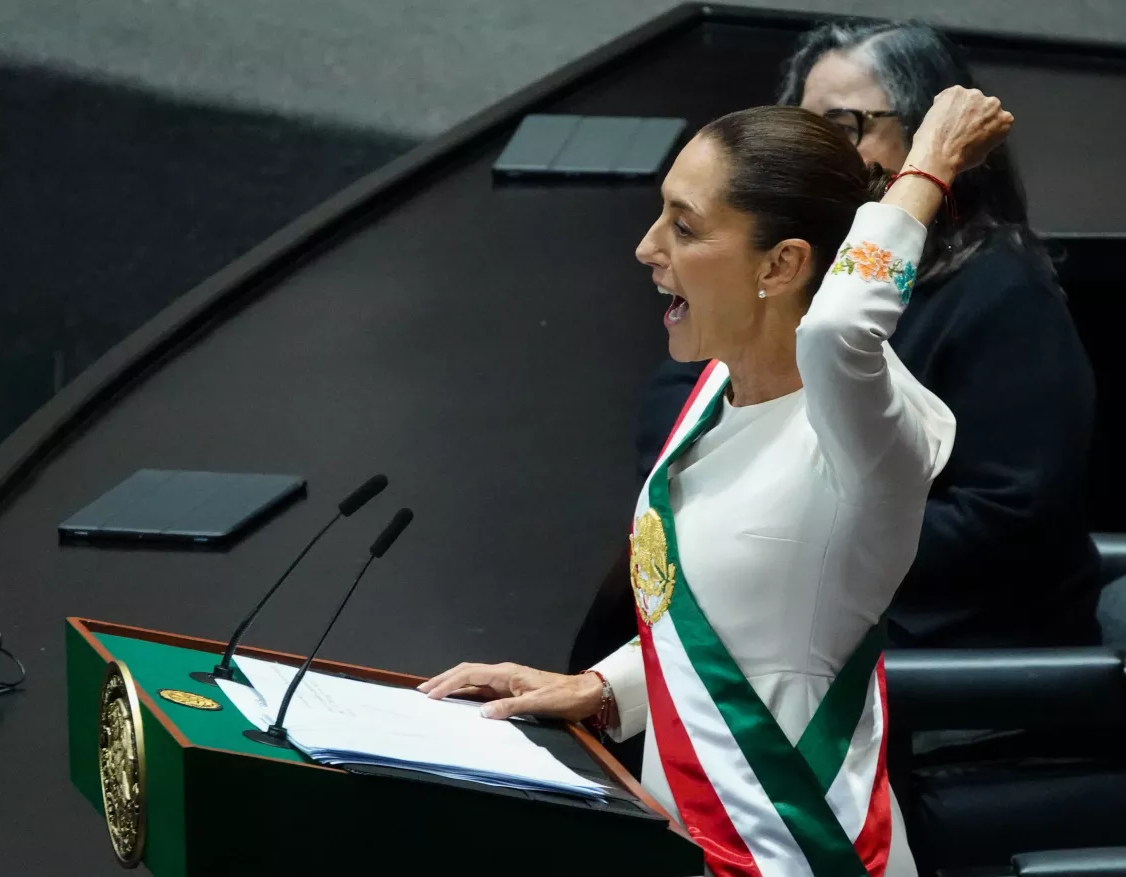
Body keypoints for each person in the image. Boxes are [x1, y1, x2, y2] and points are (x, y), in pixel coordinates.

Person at [421, 88, 1012, 875]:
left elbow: (840, 328)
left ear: (784, 263)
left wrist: (927, 168)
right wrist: (602, 686)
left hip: (800, 847)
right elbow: (731, 624)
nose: (645, 246)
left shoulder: (868, 435)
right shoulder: (715, 389)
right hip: (691, 832)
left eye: (684, 225)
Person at [570, 22, 1100, 684]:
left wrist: (795, 534)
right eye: (803, 122)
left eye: (844, 126)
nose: (815, 148)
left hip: (938, 634)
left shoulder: (1002, 292)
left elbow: (1008, 516)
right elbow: (681, 393)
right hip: (787, 609)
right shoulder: (798, 269)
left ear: (920, 137)